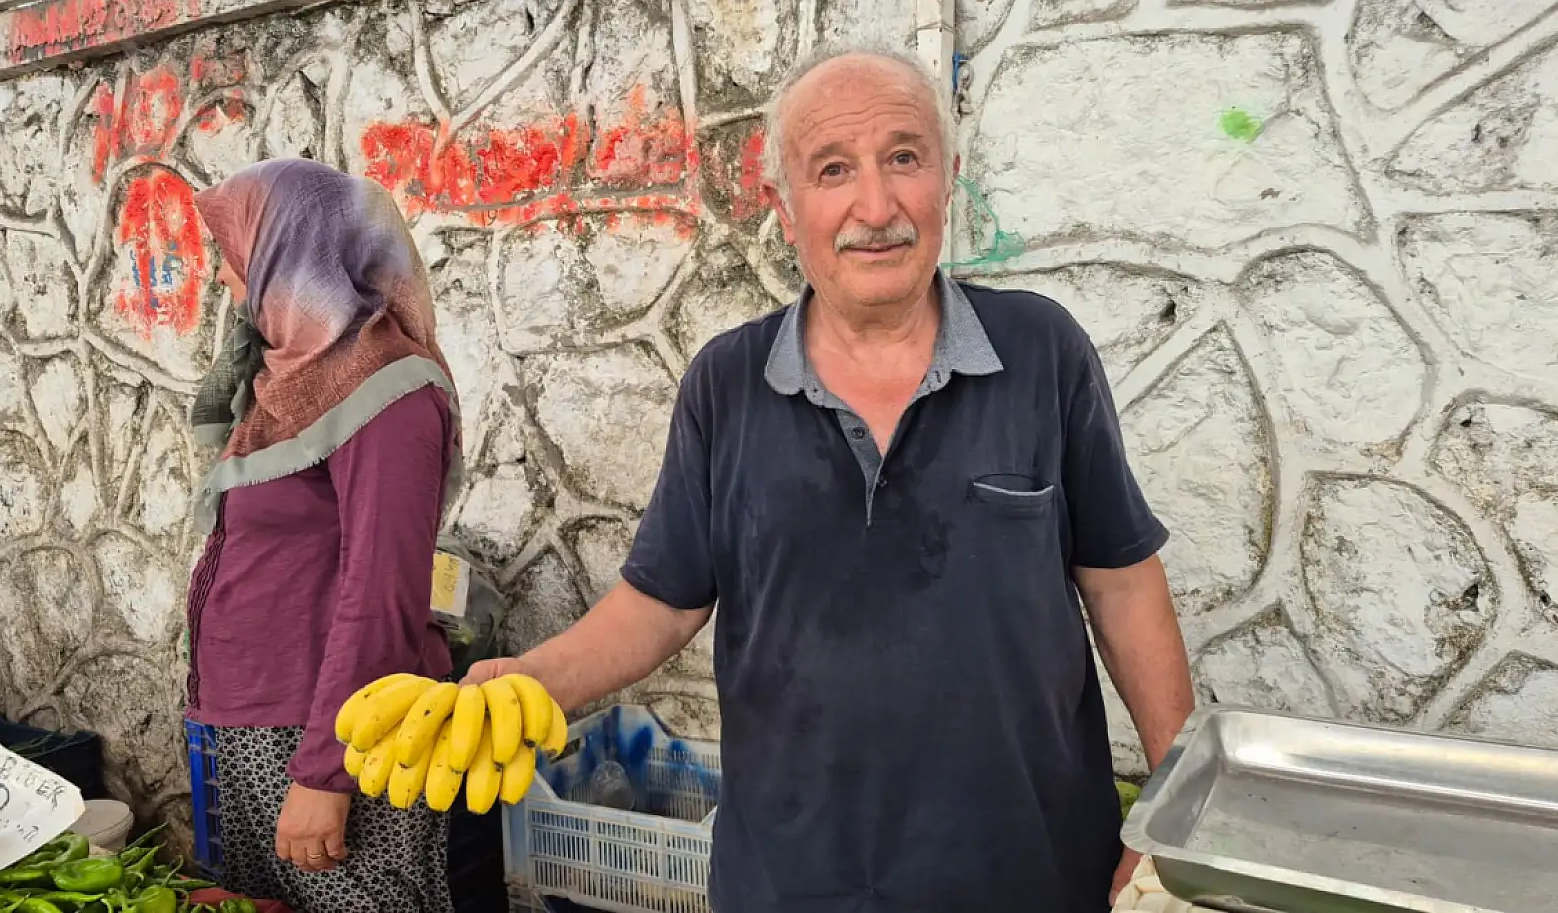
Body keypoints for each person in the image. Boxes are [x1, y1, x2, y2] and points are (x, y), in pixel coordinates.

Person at [463, 45, 1195, 912]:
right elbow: (662, 600)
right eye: (834, 169)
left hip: (1029, 870)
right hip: (791, 879)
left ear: (949, 177)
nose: (875, 206)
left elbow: (1120, 582)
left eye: (905, 158)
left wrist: (1174, 813)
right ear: (783, 203)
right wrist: (531, 680)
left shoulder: (1043, 352)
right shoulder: (724, 385)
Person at [183, 158, 463, 913]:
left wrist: (324, 773)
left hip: (329, 735)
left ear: (293, 251)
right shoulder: (285, 386)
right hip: (255, 725)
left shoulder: (389, 393)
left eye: (232, 255)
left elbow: (382, 593)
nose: (221, 280)